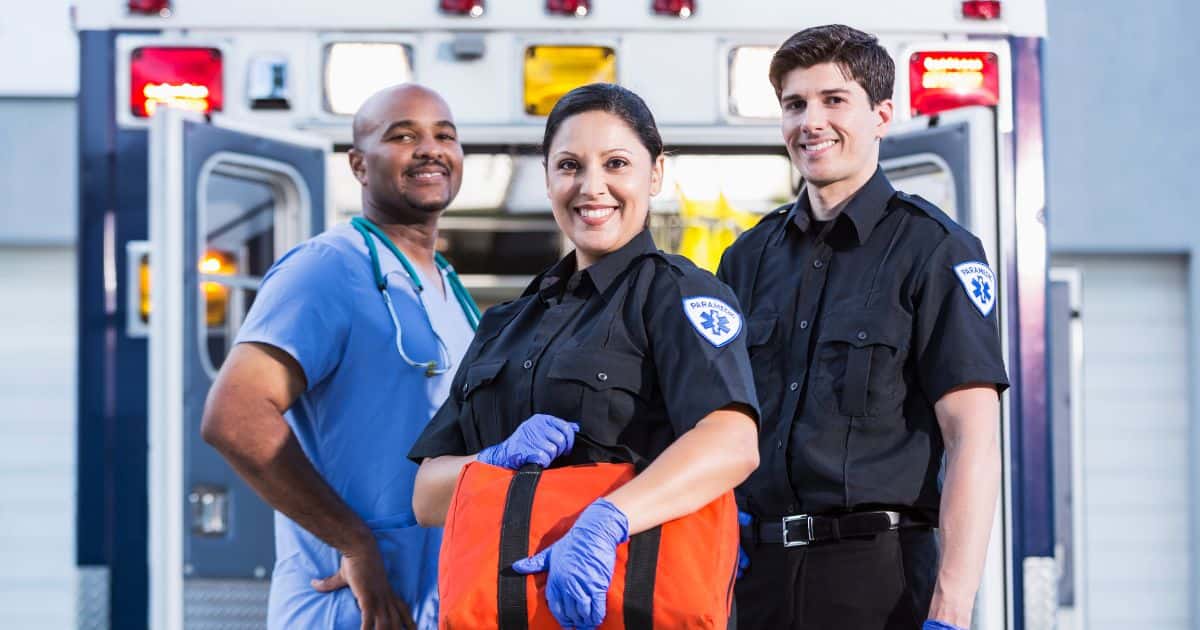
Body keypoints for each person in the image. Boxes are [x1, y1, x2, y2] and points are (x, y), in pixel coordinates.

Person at [407, 83, 760, 630]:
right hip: (508, 612)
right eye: (569, 165)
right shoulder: (506, 323)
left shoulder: (679, 295)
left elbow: (732, 442)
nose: (592, 187)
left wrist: (607, 520)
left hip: (632, 604)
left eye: (616, 163)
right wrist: (492, 461)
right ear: (548, 179)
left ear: (655, 174)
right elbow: (428, 497)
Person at [716, 25, 1010, 630]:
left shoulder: (938, 251)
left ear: (882, 115)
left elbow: (973, 440)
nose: (810, 121)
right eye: (794, 104)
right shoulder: (748, 257)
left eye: (833, 100)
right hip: (754, 580)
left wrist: (951, 607)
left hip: (881, 582)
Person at [200, 83, 479, 630]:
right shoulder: (328, 268)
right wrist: (353, 544)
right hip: (345, 606)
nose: (430, 148)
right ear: (358, 164)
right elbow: (233, 416)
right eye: (402, 135)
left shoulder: (448, 287)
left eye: (444, 136)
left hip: (429, 604)